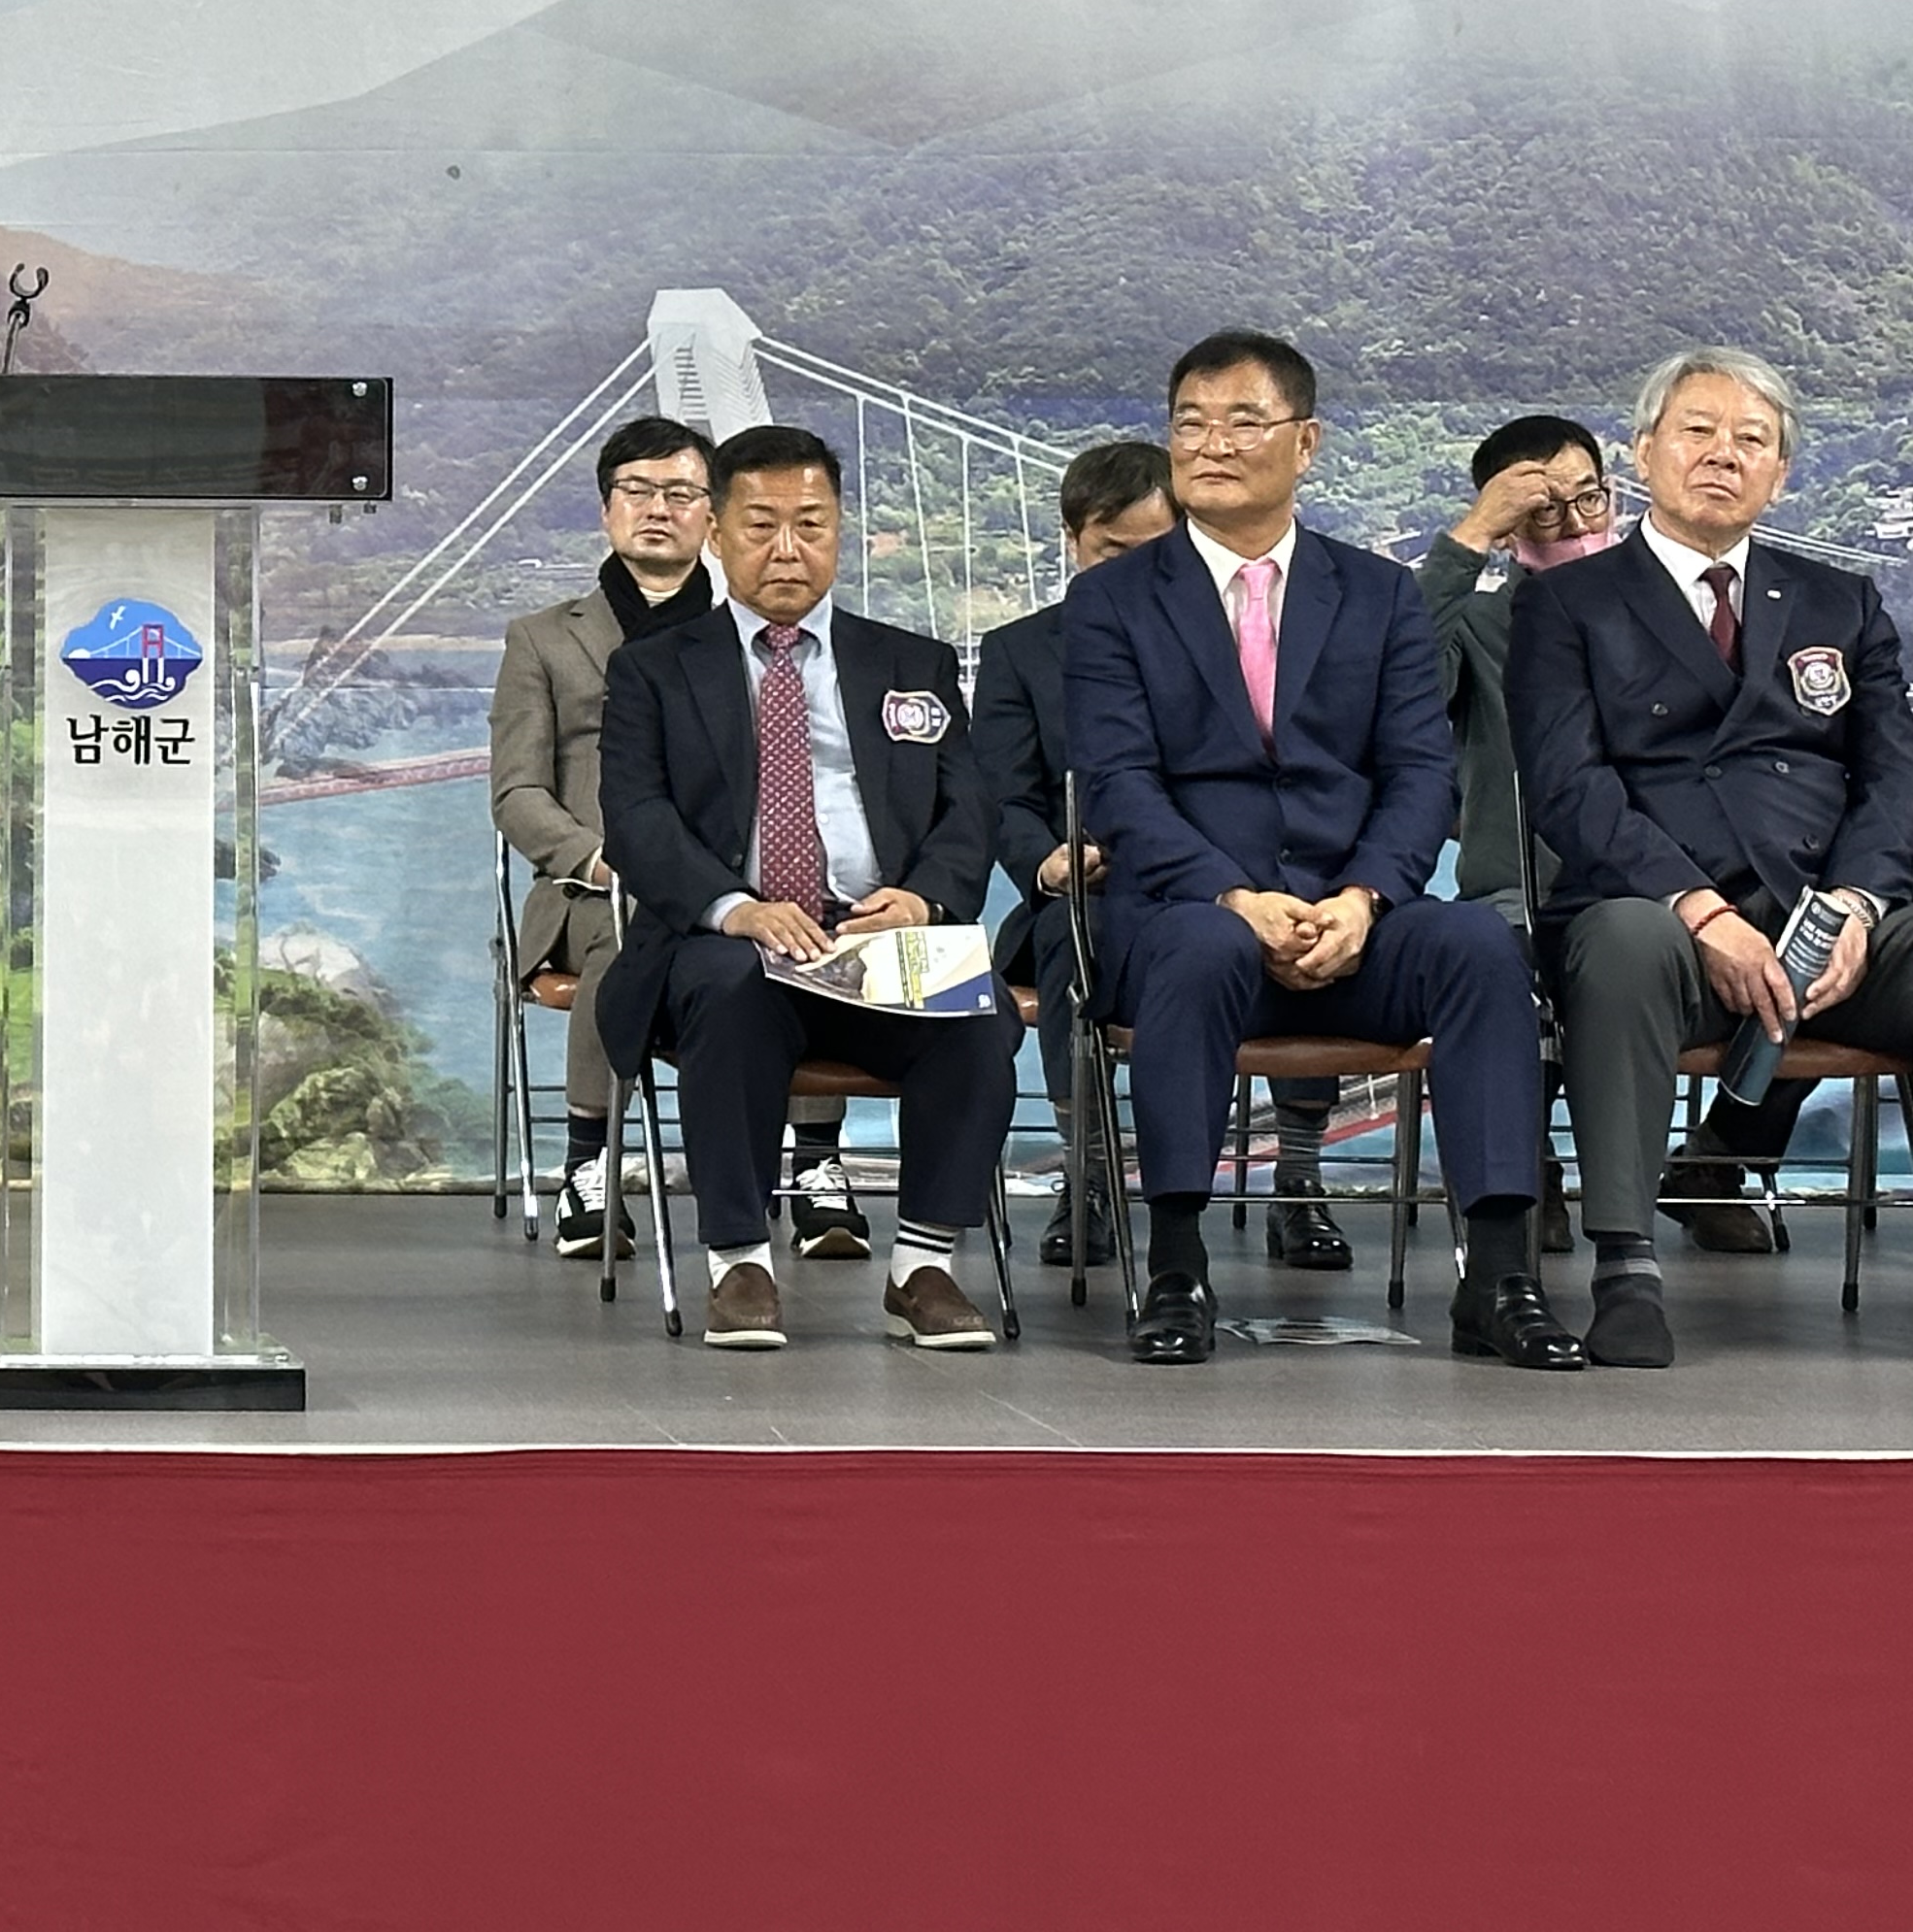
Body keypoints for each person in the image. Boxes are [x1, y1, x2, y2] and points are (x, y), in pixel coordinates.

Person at [1068, 330, 1581, 1369]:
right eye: (1190, 423)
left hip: (1352, 923)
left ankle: (1498, 1277)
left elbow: (1420, 774)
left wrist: (1363, 899)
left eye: (1242, 421)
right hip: (1189, 921)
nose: (1211, 444)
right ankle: (1176, 1269)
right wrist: (1233, 895)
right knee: (1202, 948)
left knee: (1480, 949)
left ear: (1306, 444)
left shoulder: (1377, 594)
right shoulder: (1112, 600)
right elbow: (1118, 785)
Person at [1511, 349, 1913, 1369]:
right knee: (1626, 942)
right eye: (1698, 431)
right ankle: (1625, 1268)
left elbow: (1894, 778)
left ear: (1781, 472)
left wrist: (1860, 904)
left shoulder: (1842, 601)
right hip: (1660, 915)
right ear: (1644, 451)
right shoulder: (1568, 603)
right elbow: (1568, 786)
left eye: (1751, 440)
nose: (1723, 455)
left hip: (1826, 920)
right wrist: (1700, 908)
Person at [593, 424, 1008, 1352]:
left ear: (839, 531)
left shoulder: (912, 664)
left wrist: (923, 901)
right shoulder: (654, 668)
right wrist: (735, 907)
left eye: (811, 525)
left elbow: (967, 809)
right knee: (731, 989)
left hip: (875, 940)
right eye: (761, 525)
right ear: (716, 533)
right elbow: (637, 819)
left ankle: (924, 1264)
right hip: (730, 943)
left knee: (978, 1019)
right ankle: (740, 1260)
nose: (788, 549)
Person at [491, 416, 714, 1262]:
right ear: (606, 509)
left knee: (798, 932)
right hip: (595, 887)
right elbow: (516, 792)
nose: (658, 509)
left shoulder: (746, 630)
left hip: (729, 881)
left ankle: (812, 1164)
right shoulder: (543, 638)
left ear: (711, 514)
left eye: (680, 493)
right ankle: (591, 1165)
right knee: (627, 936)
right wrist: (596, 856)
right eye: (637, 491)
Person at [972, 437, 1186, 1267]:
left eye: (1155, 551)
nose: (1134, 571)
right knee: (1071, 934)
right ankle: (1087, 1174)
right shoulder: (1019, 653)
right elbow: (1005, 796)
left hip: (1211, 889)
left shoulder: (1228, 638)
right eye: (1111, 552)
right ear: (1073, 540)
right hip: (1087, 894)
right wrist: (1047, 861)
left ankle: (1301, 1178)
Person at [1421, 411, 1618, 1255]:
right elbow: (1394, 685)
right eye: (1542, 511)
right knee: (1500, 962)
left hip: (1662, 890)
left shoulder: (1675, 613)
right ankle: (1524, 1170)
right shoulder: (1479, 623)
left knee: (1806, 954)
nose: (1573, 525)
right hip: (1517, 892)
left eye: (1588, 500)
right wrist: (1468, 540)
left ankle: (1720, 1156)